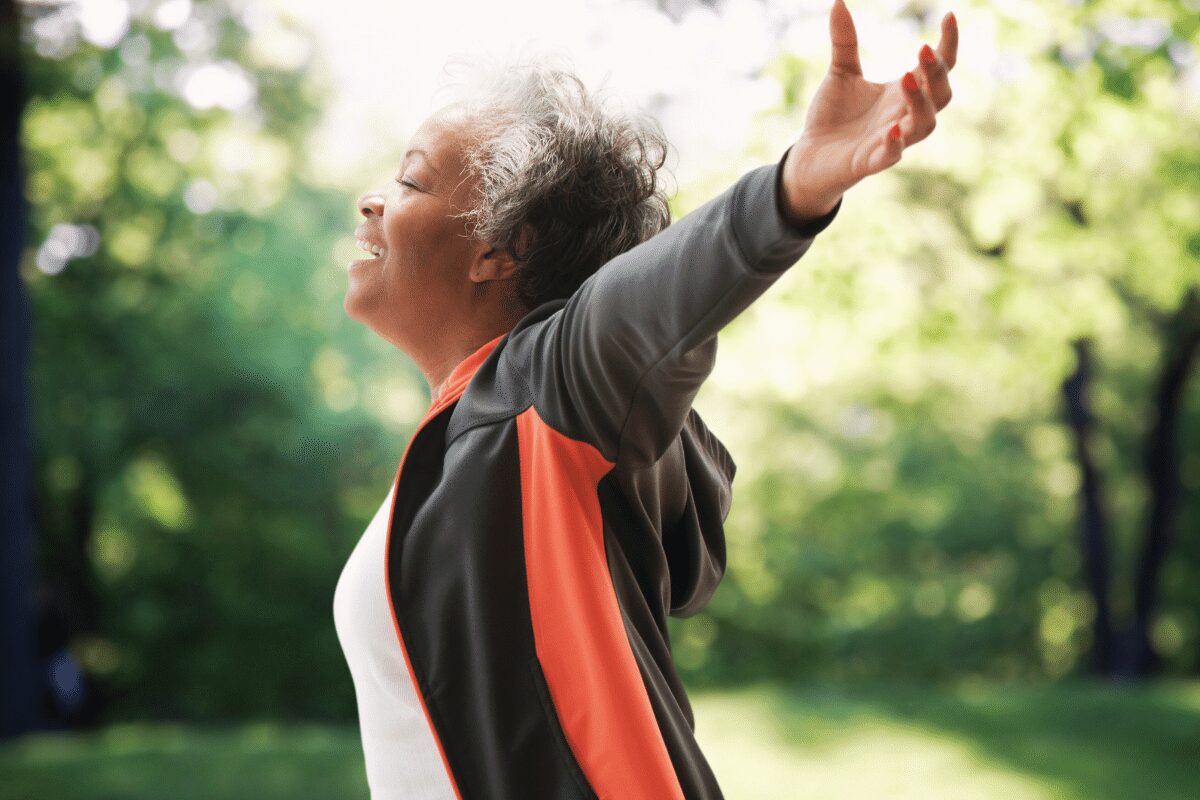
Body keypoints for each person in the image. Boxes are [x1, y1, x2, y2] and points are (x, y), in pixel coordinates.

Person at [332, 2, 959, 798]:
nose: (371, 200)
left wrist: (791, 188)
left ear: (501, 249)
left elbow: (645, 304)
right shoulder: (466, 440)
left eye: (411, 179)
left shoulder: (548, 391)